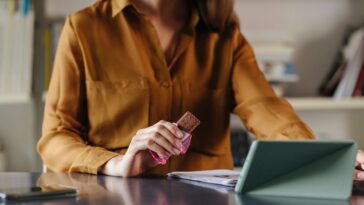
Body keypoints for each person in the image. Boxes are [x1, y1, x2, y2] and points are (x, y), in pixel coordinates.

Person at [37, 0, 364, 179]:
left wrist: (324, 159)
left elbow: (266, 108)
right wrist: (115, 163)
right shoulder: (84, 28)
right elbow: (55, 136)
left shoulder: (224, 35)